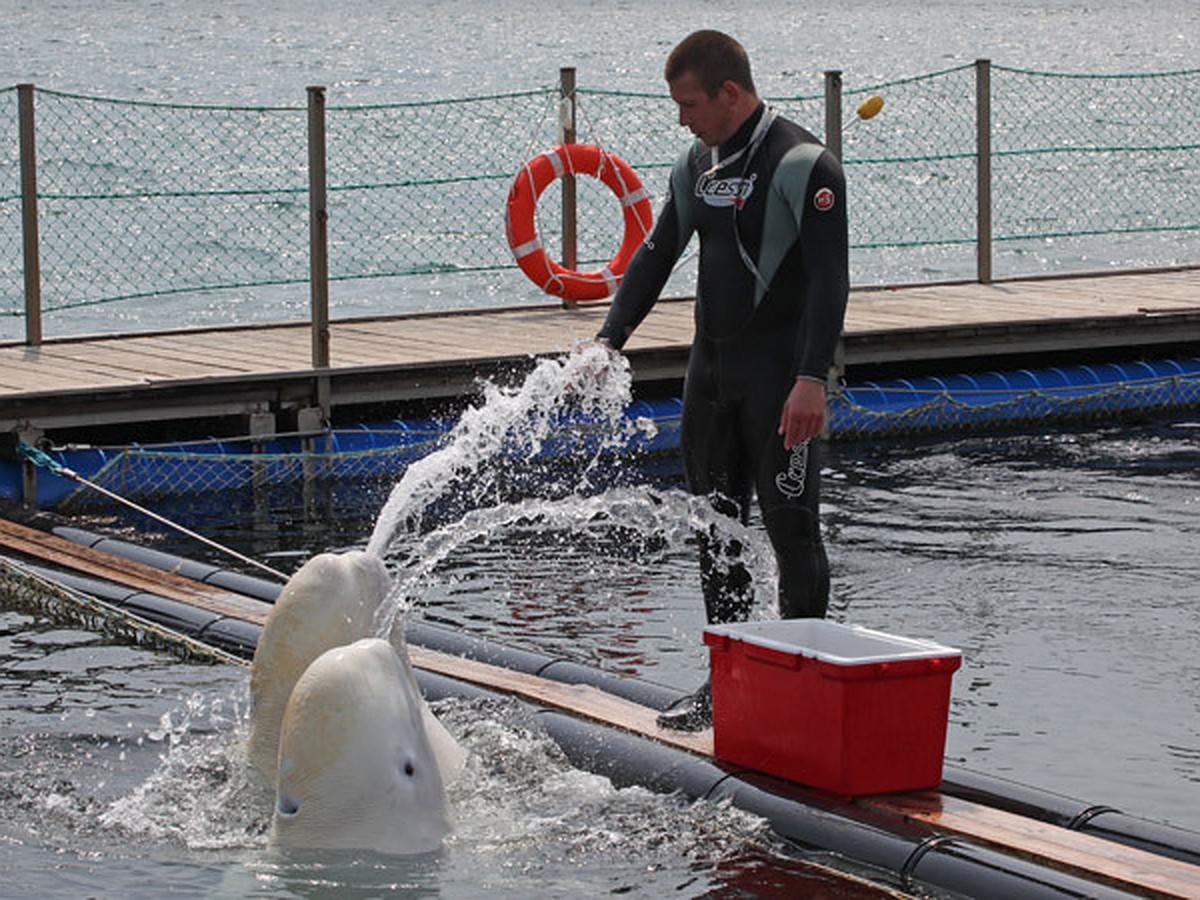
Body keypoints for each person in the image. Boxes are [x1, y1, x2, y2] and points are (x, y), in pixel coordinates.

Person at [592, 30, 849, 730]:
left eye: (689, 103)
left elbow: (830, 281)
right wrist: (607, 342)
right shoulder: (696, 165)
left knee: (794, 534)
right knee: (716, 532)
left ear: (728, 93)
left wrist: (811, 380)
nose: (681, 117)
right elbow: (654, 254)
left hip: (782, 387)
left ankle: (801, 686)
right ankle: (728, 685)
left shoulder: (805, 164)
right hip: (709, 383)